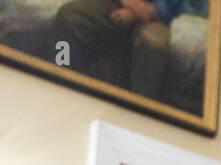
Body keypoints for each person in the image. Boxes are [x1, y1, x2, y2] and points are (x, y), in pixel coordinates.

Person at [55, 0, 191, 100]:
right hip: (118, 3)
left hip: (160, 17)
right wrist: (132, 4)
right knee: (69, 16)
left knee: (154, 45)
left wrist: (150, 11)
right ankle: (61, 79)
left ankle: (139, 117)